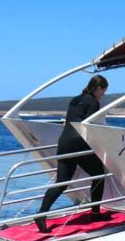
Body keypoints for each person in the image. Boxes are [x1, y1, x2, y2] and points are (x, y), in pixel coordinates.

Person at [34, 75, 109, 233]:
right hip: (78, 144)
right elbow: (90, 126)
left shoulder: (75, 99)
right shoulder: (93, 102)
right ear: (100, 88)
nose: (103, 94)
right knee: (98, 174)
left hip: (65, 142)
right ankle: (95, 213)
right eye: (104, 91)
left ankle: (41, 214)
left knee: (62, 182)